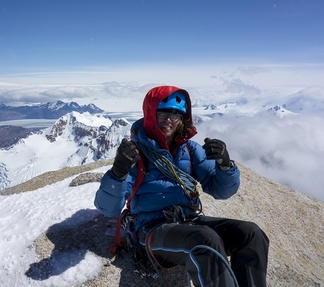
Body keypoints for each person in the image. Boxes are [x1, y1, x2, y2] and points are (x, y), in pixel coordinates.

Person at [94, 85, 269, 287]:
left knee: (250, 234)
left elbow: (221, 191)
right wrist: (118, 174)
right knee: (204, 240)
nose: (170, 118)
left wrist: (225, 166)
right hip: (150, 230)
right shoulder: (137, 153)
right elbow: (108, 209)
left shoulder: (189, 150)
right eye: (164, 112)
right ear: (151, 113)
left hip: (187, 221)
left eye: (177, 114)